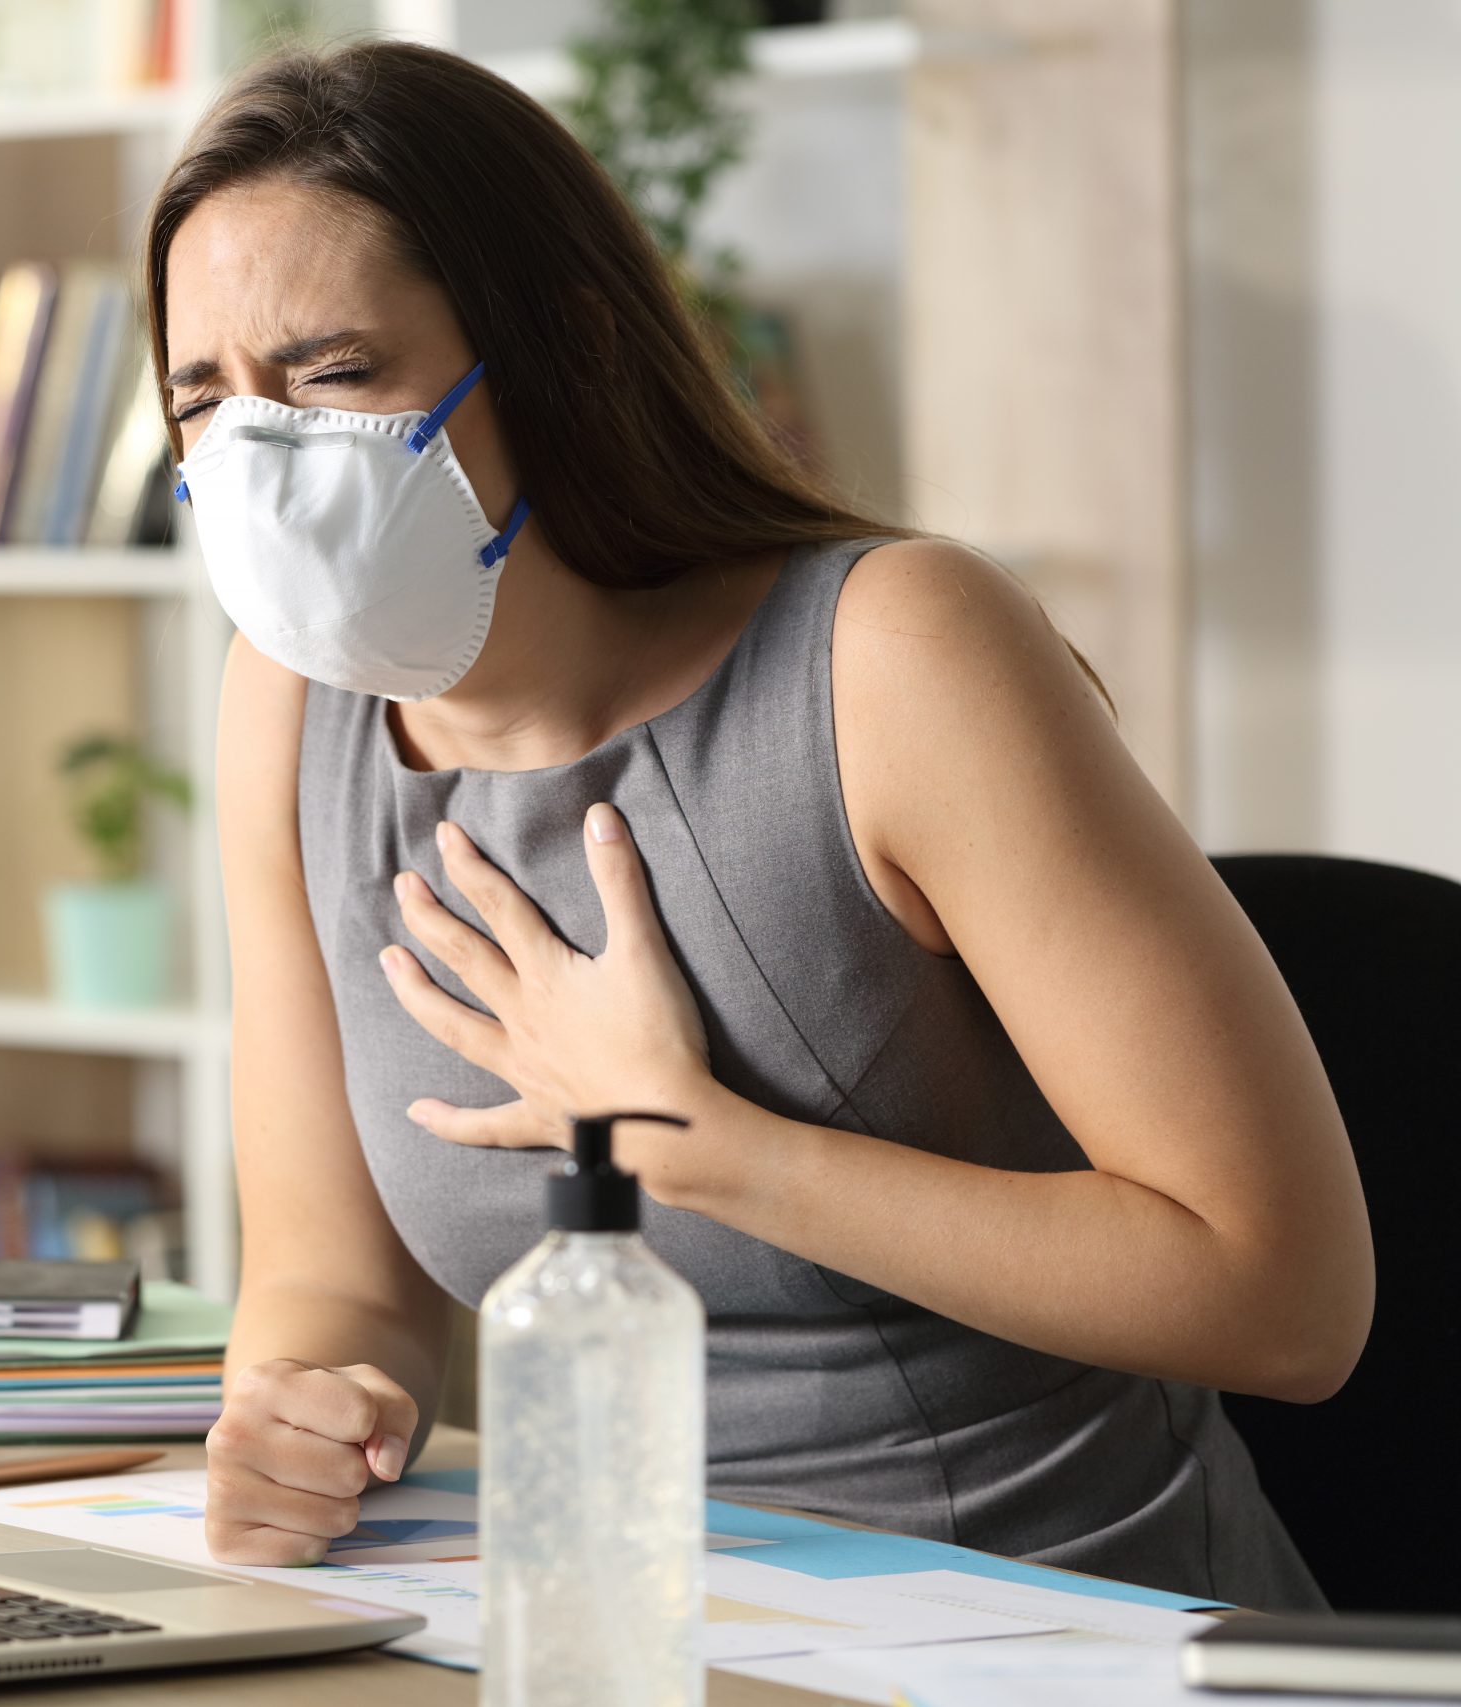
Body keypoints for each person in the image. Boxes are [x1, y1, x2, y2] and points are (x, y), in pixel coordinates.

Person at [155, 40, 1368, 1610]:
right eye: (203, 399)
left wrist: (704, 1147)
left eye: (330, 376)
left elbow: (1284, 1296)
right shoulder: (287, 704)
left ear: (562, 354)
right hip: (619, 1620)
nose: (261, 459)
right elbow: (330, 1283)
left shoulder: (901, 654)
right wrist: (302, 1415)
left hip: (1046, 1622)